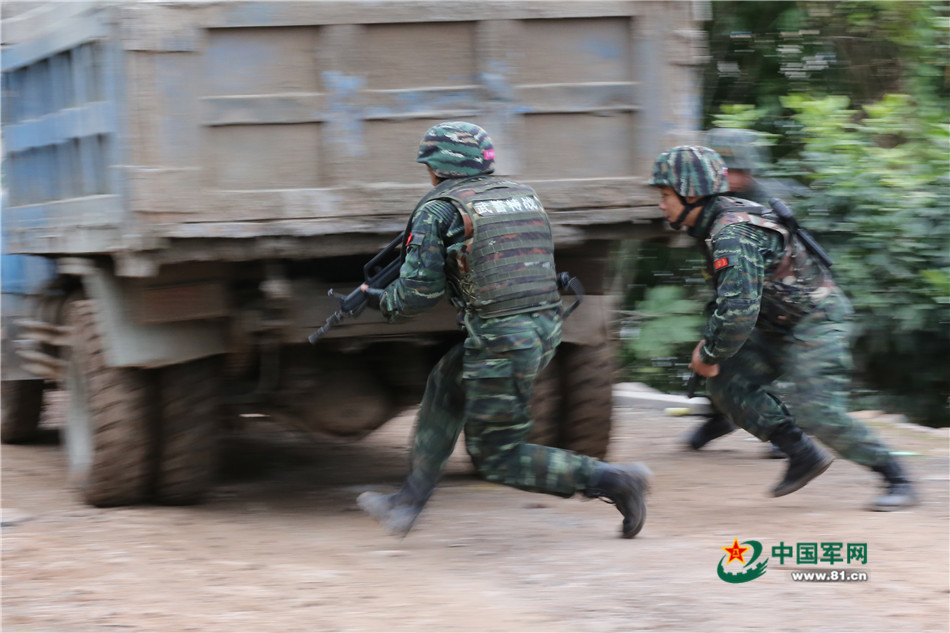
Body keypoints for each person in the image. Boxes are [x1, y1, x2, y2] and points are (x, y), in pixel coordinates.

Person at [356, 121, 651, 538]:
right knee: (445, 384)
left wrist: (378, 300)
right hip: (542, 327)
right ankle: (409, 500)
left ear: (438, 168)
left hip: (502, 340)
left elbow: (417, 296)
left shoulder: (438, 210)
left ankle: (617, 480)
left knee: (497, 457)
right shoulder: (521, 195)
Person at [648, 145, 917, 511]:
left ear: (690, 194)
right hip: (775, 322)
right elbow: (731, 298)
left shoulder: (731, 232)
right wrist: (712, 350)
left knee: (818, 411)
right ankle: (802, 454)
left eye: (665, 195)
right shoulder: (712, 222)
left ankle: (897, 478)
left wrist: (709, 352)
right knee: (727, 382)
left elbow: (738, 311)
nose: (661, 204)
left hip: (815, 319)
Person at [685, 128, 783, 453]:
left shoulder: (765, 204)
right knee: (715, 340)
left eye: (739, 170)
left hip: (772, 296)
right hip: (731, 288)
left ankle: (781, 429)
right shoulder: (708, 202)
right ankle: (719, 416)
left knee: (762, 358)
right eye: (726, 170)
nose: (732, 178)